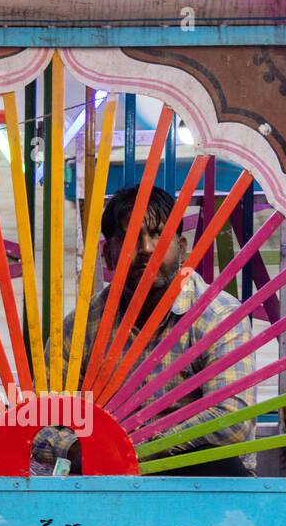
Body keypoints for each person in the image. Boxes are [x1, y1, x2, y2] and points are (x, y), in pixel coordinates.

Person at [34, 185, 257, 475]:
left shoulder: (218, 318)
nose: (146, 249)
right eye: (129, 238)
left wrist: (132, 448)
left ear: (182, 247)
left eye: (158, 236)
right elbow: (37, 420)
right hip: (109, 479)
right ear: (108, 255)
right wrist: (75, 449)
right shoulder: (79, 329)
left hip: (196, 480)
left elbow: (232, 420)